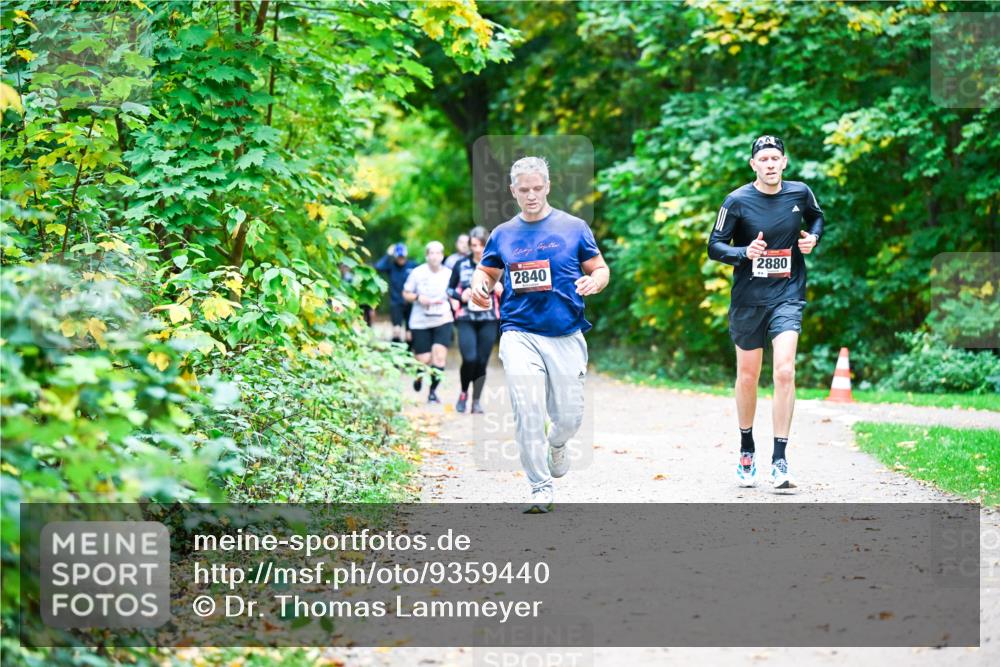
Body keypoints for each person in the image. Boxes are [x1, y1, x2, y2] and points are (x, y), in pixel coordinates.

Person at [471, 156, 610, 513]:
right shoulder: (502, 233)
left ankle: (558, 443)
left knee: (568, 417)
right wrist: (480, 286)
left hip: (565, 332)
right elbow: (485, 272)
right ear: (513, 191)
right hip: (519, 332)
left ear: (547, 187)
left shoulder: (574, 227)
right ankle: (539, 486)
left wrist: (594, 281)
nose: (531, 196)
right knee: (526, 407)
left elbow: (600, 268)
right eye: (524, 190)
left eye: (537, 188)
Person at [707, 135, 825, 490]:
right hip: (748, 299)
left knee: (785, 370)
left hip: (787, 294)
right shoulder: (737, 201)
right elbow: (714, 246)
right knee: (748, 376)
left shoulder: (800, 193)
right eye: (764, 159)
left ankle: (780, 459)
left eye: (776, 158)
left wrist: (812, 239)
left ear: (784, 162)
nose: (771, 164)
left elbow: (817, 219)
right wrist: (745, 252)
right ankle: (746, 449)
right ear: (753, 164)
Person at [447, 226, 502, 414]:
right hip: (466, 318)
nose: (476, 249)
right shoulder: (460, 264)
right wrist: (460, 296)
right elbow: (449, 290)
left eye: (480, 245)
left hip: (489, 318)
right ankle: (463, 393)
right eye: (473, 245)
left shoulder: (497, 265)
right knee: (469, 359)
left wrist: (501, 289)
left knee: (481, 361)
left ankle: (476, 401)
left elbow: (511, 289)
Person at [403, 241, 454, 403]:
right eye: (431, 253)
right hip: (420, 321)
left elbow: (454, 292)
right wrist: (418, 298)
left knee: (439, 358)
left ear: (442, 255)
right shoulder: (417, 273)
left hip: (443, 318)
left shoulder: (449, 274)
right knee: (424, 360)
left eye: (438, 253)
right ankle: (418, 374)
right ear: (426, 256)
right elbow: (406, 293)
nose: (434, 256)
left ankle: (432, 393)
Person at [374, 243, 416, 344]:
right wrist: (388, 254)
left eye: (403, 256)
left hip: (410, 302)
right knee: (396, 330)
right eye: (399, 256)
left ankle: (408, 354)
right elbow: (378, 267)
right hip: (396, 302)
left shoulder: (413, 265)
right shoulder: (391, 266)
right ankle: (397, 353)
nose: (401, 259)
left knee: (409, 333)